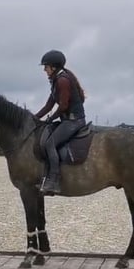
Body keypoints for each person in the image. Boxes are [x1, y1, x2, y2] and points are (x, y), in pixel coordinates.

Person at [33, 49, 87, 194]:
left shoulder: (63, 81)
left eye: (46, 66)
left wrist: (50, 119)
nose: (44, 69)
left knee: (50, 143)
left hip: (74, 121)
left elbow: (63, 106)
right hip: (67, 120)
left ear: (54, 67)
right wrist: (33, 118)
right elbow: (49, 105)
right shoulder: (56, 81)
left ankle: (53, 181)